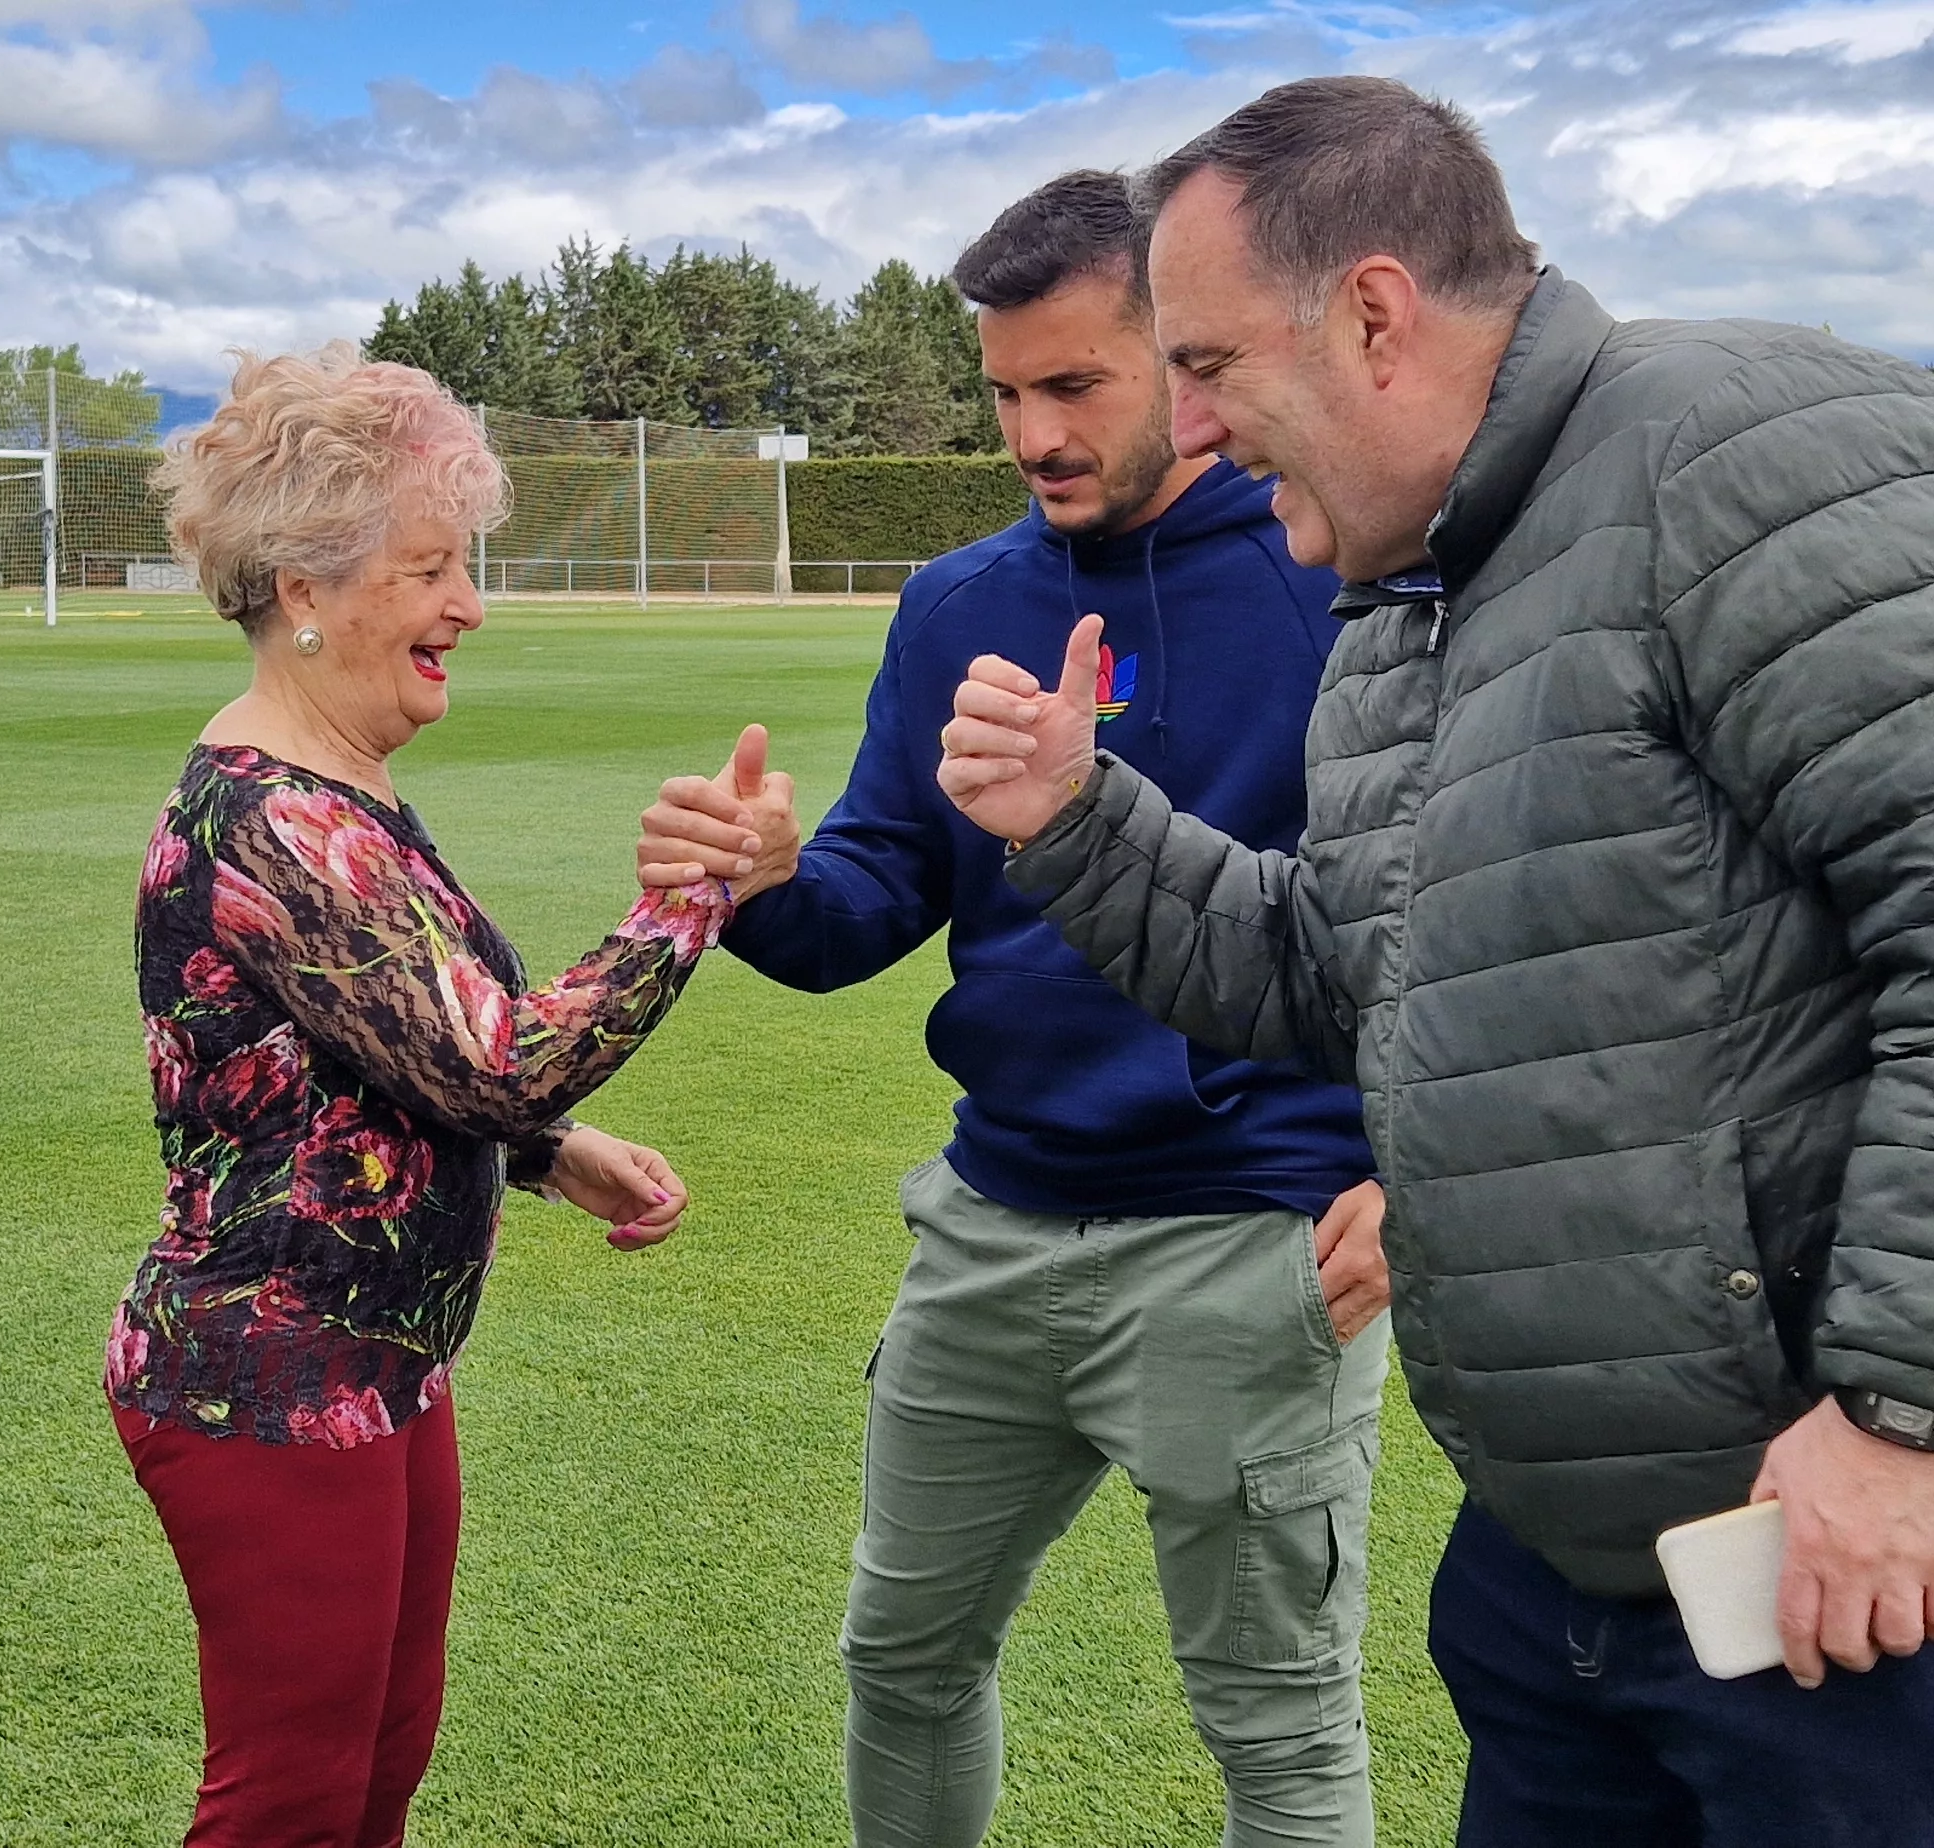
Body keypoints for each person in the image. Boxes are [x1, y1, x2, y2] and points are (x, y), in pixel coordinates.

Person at [937, 78, 1934, 1846]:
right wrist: (1080, 824)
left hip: (1878, 1526)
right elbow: (1350, 985)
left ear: (1376, 312)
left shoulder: (1764, 450)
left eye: (1214, 364)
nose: (1195, 426)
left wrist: (1910, 1417)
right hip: (1583, 1561)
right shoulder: (1410, 601)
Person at [638, 172, 1392, 1848]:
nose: (1031, 433)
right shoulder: (961, 602)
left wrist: (1425, 1162)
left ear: (1187, 366)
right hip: (990, 1228)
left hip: (1249, 1248)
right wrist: (758, 880)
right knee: (900, 1660)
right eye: (1003, 392)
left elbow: (1455, 927)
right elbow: (864, 909)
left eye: (1075, 386)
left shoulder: (1340, 588)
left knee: (1274, 1732)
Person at [108, 344, 764, 1848]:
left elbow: (380, 1056)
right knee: (291, 1798)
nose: (467, 605)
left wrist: (548, 1153)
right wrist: (690, 900)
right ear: (307, 588)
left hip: (373, 1363)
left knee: (379, 1762)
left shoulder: (341, 787)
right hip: (262, 1378)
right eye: (431, 568)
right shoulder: (273, 815)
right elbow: (487, 1057)